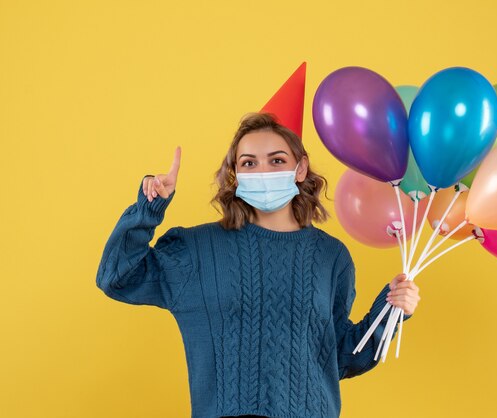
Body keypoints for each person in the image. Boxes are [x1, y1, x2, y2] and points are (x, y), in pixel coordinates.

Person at [95, 63, 420, 418]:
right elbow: (116, 277)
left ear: (300, 168)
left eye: (276, 160)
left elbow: (339, 358)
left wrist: (390, 311)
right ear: (235, 173)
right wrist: (149, 207)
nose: (262, 171)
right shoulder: (196, 252)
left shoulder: (331, 257)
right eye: (249, 163)